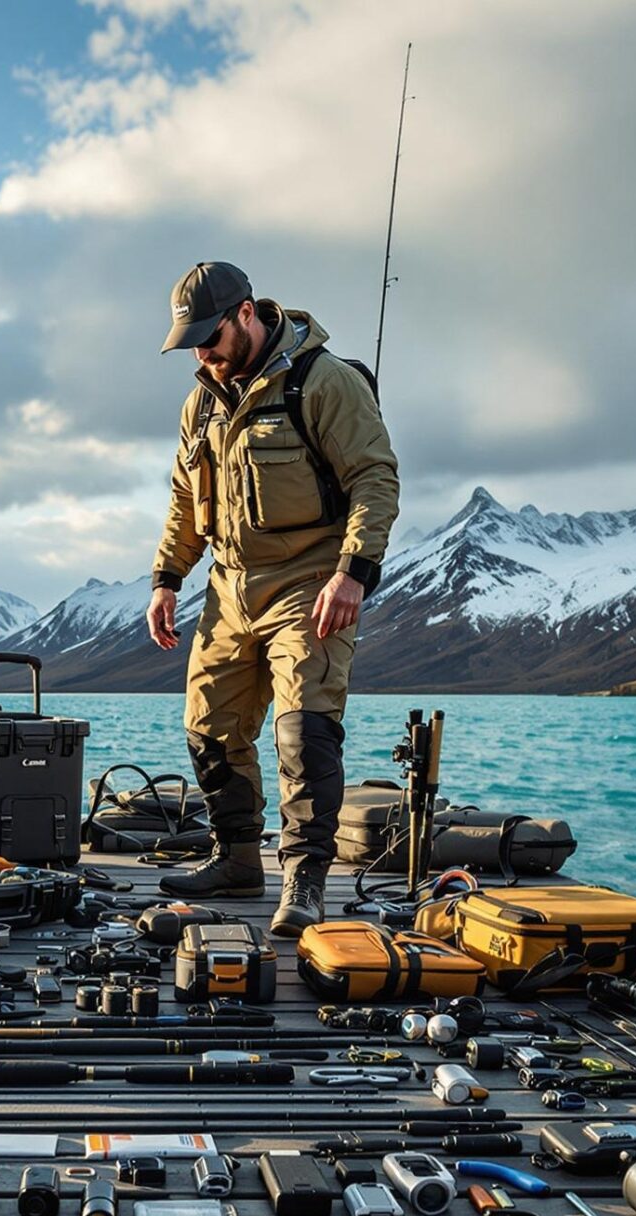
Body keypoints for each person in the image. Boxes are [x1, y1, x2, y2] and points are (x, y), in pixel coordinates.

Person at [146, 260, 400, 936]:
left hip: (309, 581)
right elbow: (182, 497)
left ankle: (306, 879)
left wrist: (353, 571)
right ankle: (235, 858)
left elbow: (375, 476)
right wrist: (167, 578)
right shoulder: (200, 401)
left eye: (210, 336)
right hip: (227, 586)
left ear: (248, 315)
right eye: (191, 342)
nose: (201, 352)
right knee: (208, 724)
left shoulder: (324, 383)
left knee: (303, 729)